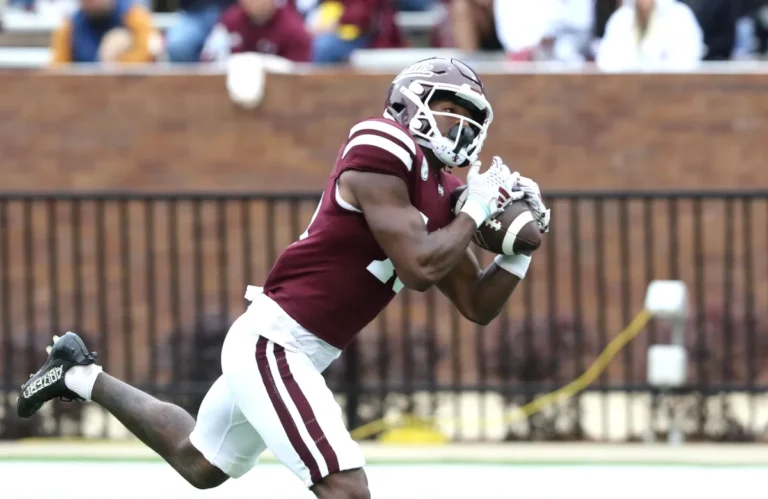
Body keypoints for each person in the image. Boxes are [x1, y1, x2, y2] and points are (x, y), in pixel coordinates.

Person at [17, 57, 550, 498]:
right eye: (449, 109)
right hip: (275, 344)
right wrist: (476, 212)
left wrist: (519, 252)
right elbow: (418, 269)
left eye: (468, 116)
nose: (461, 125)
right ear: (410, 103)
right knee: (345, 488)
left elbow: (478, 305)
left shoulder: (443, 195)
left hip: (299, 349)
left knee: (202, 463)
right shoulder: (383, 144)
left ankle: (76, 374)